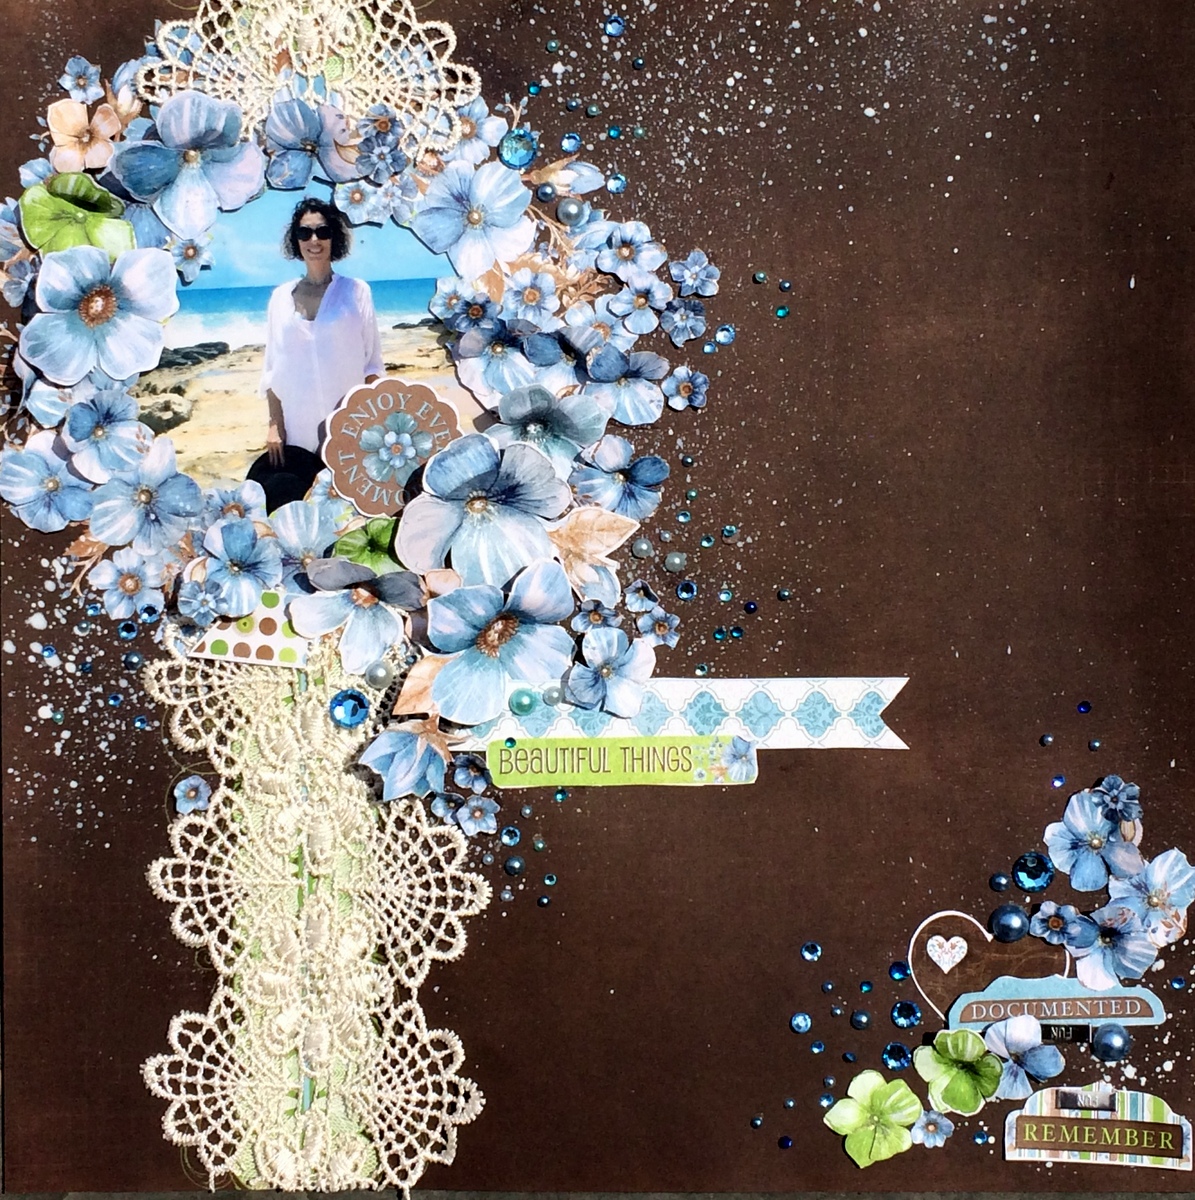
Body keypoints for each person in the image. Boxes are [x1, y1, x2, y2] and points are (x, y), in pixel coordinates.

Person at [248, 198, 384, 510]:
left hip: (350, 426)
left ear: (334, 237)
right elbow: (273, 369)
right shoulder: (280, 298)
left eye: (322, 232)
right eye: (304, 232)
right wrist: (274, 424)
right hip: (298, 427)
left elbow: (373, 365)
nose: (314, 240)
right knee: (301, 505)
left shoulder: (356, 292)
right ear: (295, 240)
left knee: (348, 510)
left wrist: (374, 425)